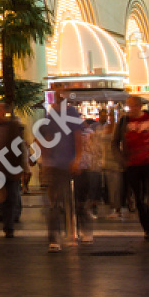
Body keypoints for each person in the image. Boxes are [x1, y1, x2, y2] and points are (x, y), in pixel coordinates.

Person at [114, 96, 149, 241]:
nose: (131, 109)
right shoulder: (123, 122)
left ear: (139, 106)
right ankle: (147, 227)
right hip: (132, 164)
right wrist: (122, 159)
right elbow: (114, 143)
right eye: (128, 106)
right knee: (139, 197)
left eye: (133, 106)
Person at [41, 99, 91, 251]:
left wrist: (76, 159)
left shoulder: (70, 113)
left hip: (67, 163)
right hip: (56, 164)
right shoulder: (51, 116)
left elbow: (77, 137)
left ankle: (80, 231)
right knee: (56, 203)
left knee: (75, 200)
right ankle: (55, 236)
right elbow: (45, 139)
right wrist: (47, 160)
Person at [0, 103, 27, 237]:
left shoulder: (13, 127)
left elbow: (20, 148)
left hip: (9, 168)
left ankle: (8, 227)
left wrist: (20, 167)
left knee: (11, 197)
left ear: (4, 112)